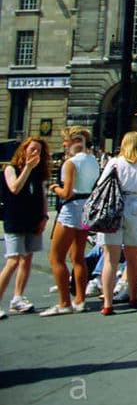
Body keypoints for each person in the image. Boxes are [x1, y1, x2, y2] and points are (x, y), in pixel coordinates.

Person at [42, 127, 100, 316]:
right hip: (86, 208)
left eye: (66, 141)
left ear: (75, 141)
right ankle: (80, 300)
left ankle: (64, 302)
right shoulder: (93, 161)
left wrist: (54, 188)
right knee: (78, 257)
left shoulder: (70, 163)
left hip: (71, 209)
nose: (64, 145)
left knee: (56, 257)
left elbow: (66, 192)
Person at [98, 131, 137, 315]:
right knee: (133, 257)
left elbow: (102, 185)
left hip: (115, 207)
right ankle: (133, 296)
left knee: (111, 259)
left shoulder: (115, 162)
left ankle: (108, 303)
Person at [0, 136, 52, 318]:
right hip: (14, 219)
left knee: (27, 259)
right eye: (32, 149)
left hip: (33, 219)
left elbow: (44, 195)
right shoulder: (10, 169)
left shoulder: (39, 172)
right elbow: (15, 188)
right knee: (13, 259)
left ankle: (17, 298)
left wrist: (45, 216)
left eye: (39, 150)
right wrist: (28, 168)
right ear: (24, 150)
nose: (35, 153)